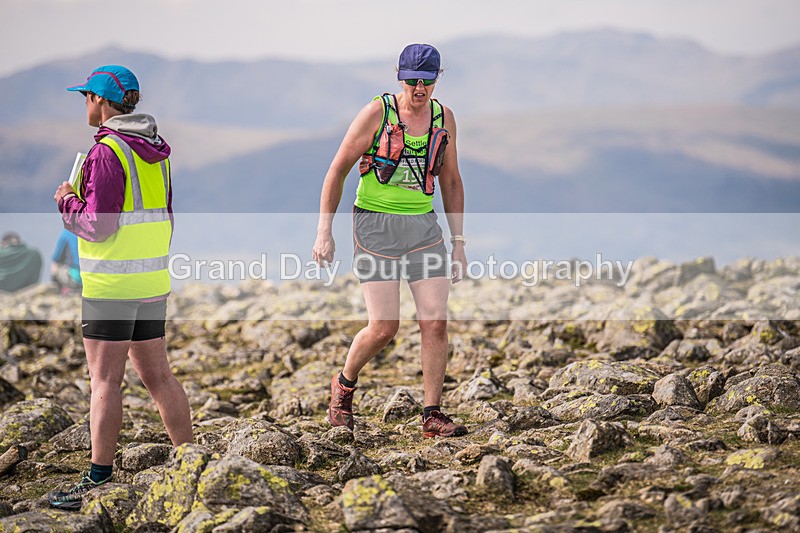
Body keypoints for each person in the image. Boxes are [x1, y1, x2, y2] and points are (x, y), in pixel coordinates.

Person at [48, 65, 192, 510]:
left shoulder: (108, 152)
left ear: (101, 101)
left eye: (86, 96)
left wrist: (67, 202)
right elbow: (165, 215)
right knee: (158, 375)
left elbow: (98, 226)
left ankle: (97, 477)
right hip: (151, 279)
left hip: (111, 283)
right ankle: (191, 458)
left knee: (105, 381)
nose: (85, 104)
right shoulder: (156, 150)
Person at [313, 44, 468, 438]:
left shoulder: (443, 117)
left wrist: (459, 243)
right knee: (384, 327)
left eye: (427, 81)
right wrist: (324, 232)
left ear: (436, 78)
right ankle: (344, 384)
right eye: (413, 80)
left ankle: (432, 414)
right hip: (374, 227)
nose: (420, 88)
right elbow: (337, 171)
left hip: (422, 228)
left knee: (435, 321)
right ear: (400, 77)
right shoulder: (377, 113)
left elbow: (450, 180)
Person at [51, 229, 82, 294]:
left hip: (76, 279)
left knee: (55, 265)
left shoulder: (67, 233)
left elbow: (56, 258)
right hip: (91, 277)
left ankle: (57, 292)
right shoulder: (92, 233)